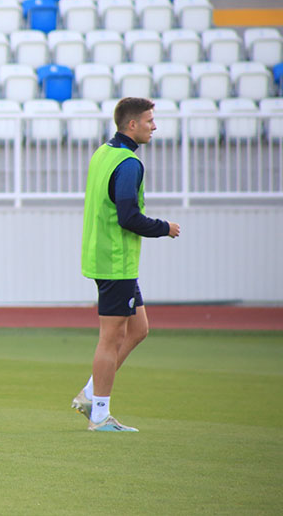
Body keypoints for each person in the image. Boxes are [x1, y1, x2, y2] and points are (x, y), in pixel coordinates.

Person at [72, 97, 180, 431]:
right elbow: (128, 217)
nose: (154, 126)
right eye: (149, 120)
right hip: (115, 261)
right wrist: (164, 228)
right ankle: (99, 415)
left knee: (139, 329)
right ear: (132, 124)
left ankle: (90, 393)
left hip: (106, 256)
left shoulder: (103, 152)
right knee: (111, 338)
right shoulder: (129, 163)